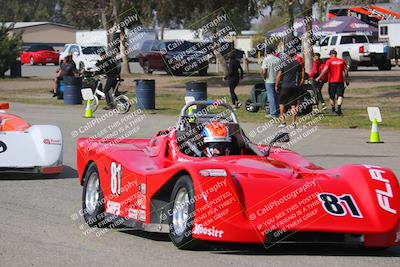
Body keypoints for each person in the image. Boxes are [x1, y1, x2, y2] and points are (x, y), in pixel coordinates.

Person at [275, 49, 304, 128]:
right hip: (294, 86)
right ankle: (293, 123)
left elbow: (279, 75)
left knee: (282, 104)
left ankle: (283, 122)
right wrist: (298, 84)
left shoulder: (283, 64)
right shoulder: (297, 63)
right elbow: (301, 76)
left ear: (287, 55)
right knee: (293, 105)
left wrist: (276, 85)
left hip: (285, 86)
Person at [316, 50, 349, 116]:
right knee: (340, 95)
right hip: (340, 81)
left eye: (330, 55)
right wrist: (347, 80)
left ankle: (333, 109)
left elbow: (324, 70)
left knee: (332, 97)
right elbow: (346, 71)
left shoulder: (329, 61)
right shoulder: (341, 61)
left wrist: (319, 77)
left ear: (332, 55)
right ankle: (339, 108)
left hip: (332, 82)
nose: (330, 56)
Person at [260, 46, 280, 118]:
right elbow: (280, 71)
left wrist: (264, 77)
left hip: (269, 80)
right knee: (276, 96)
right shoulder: (278, 59)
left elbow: (264, 71)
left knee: (271, 97)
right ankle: (277, 111)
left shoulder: (266, 59)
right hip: (277, 79)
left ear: (266, 52)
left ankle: (273, 113)